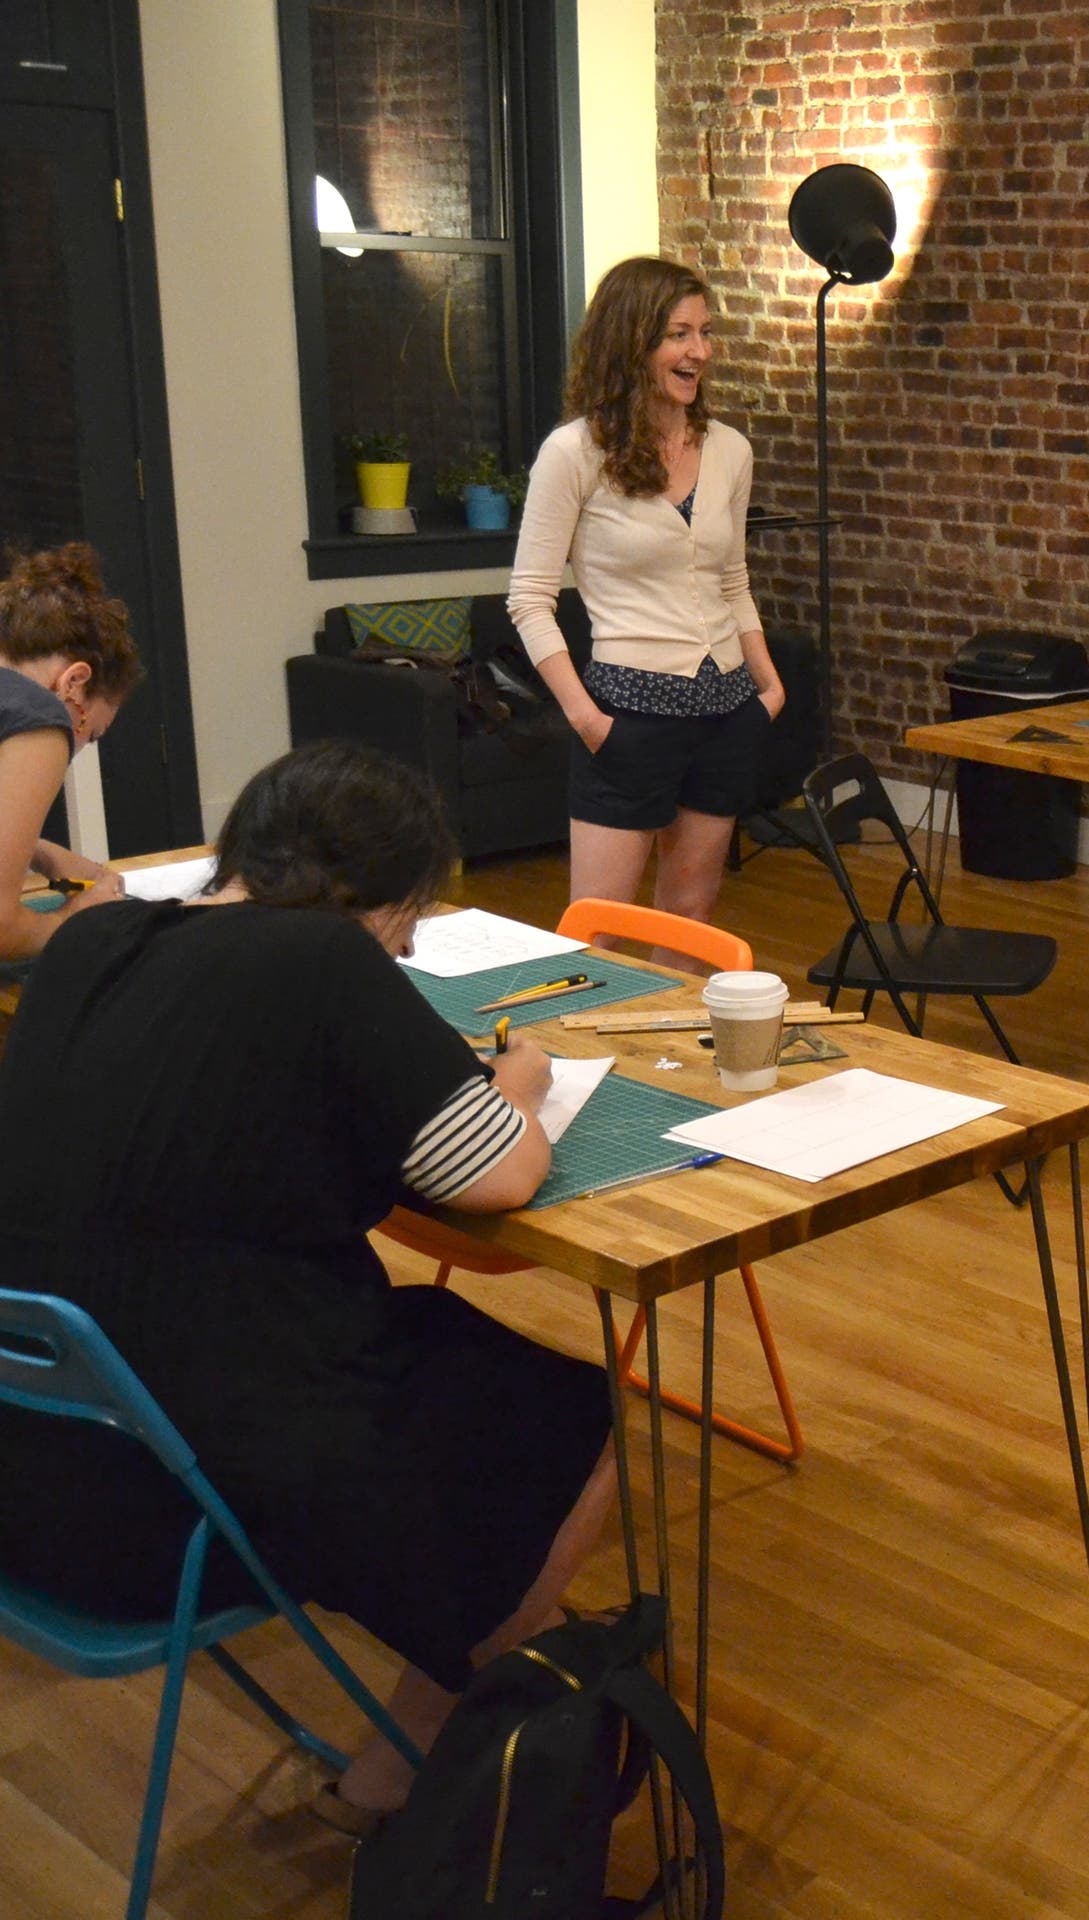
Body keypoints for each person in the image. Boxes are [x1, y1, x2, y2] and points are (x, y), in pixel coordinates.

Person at [0, 741, 617, 1827]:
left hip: (36, 1464)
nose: (409, 943)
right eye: (409, 913)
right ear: (364, 890)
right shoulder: (320, 959)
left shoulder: (92, 938)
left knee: (431, 1334)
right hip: (173, 1507)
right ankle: (410, 1767)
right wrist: (515, 1082)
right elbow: (499, 1171)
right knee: (579, 1412)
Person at [508, 255, 785, 936]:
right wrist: (588, 720)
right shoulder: (574, 453)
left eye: (705, 333)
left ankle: (676, 1022)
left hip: (727, 712)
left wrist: (769, 689)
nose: (700, 352)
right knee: (596, 932)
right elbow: (530, 599)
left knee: (690, 918)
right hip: (627, 718)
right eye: (678, 335)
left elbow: (732, 580)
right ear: (631, 342)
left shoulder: (730, 450)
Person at [0, 543, 142, 962]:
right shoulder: (37, 714)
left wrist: (41, 851)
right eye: (89, 734)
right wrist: (78, 916)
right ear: (74, 683)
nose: (74, 747)